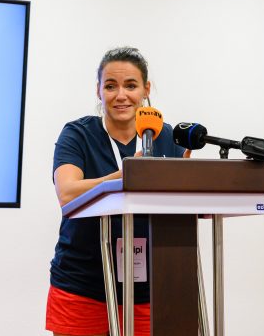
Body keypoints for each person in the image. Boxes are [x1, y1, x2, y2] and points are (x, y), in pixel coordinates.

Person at [45, 47, 189, 336]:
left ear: (146, 90)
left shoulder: (168, 138)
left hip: (151, 288)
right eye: (110, 86)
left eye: (131, 85)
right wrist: (125, 175)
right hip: (82, 285)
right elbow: (68, 193)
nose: (121, 95)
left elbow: (182, 205)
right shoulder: (78, 134)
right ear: (98, 91)